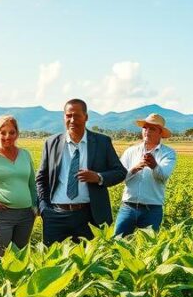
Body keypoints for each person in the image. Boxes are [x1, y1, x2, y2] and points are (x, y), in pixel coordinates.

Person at [35, 98, 126, 245]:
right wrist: (44, 208)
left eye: (76, 115)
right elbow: (41, 178)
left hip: (89, 215)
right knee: (54, 263)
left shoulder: (102, 142)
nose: (72, 120)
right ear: (64, 117)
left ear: (86, 117)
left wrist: (98, 177)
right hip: (55, 216)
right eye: (68, 115)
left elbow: (120, 172)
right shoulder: (52, 143)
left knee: (89, 263)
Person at [0, 114, 37, 255]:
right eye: (2, 132)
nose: (7, 136)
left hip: (26, 216)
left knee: (20, 258)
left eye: (12, 132)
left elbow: (32, 184)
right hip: (2, 216)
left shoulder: (25, 155)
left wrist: (35, 207)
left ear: (17, 134)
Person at [115, 113, 177, 237]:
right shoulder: (131, 151)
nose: (147, 131)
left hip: (152, 210)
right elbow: (119, 176)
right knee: (118, 243)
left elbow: (163, 176)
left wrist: (154, 166)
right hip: (128, 208)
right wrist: (134, 169)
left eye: (152, 128)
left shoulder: (168, 153)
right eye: (145, 128)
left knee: (149, 247)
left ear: (160, 133)